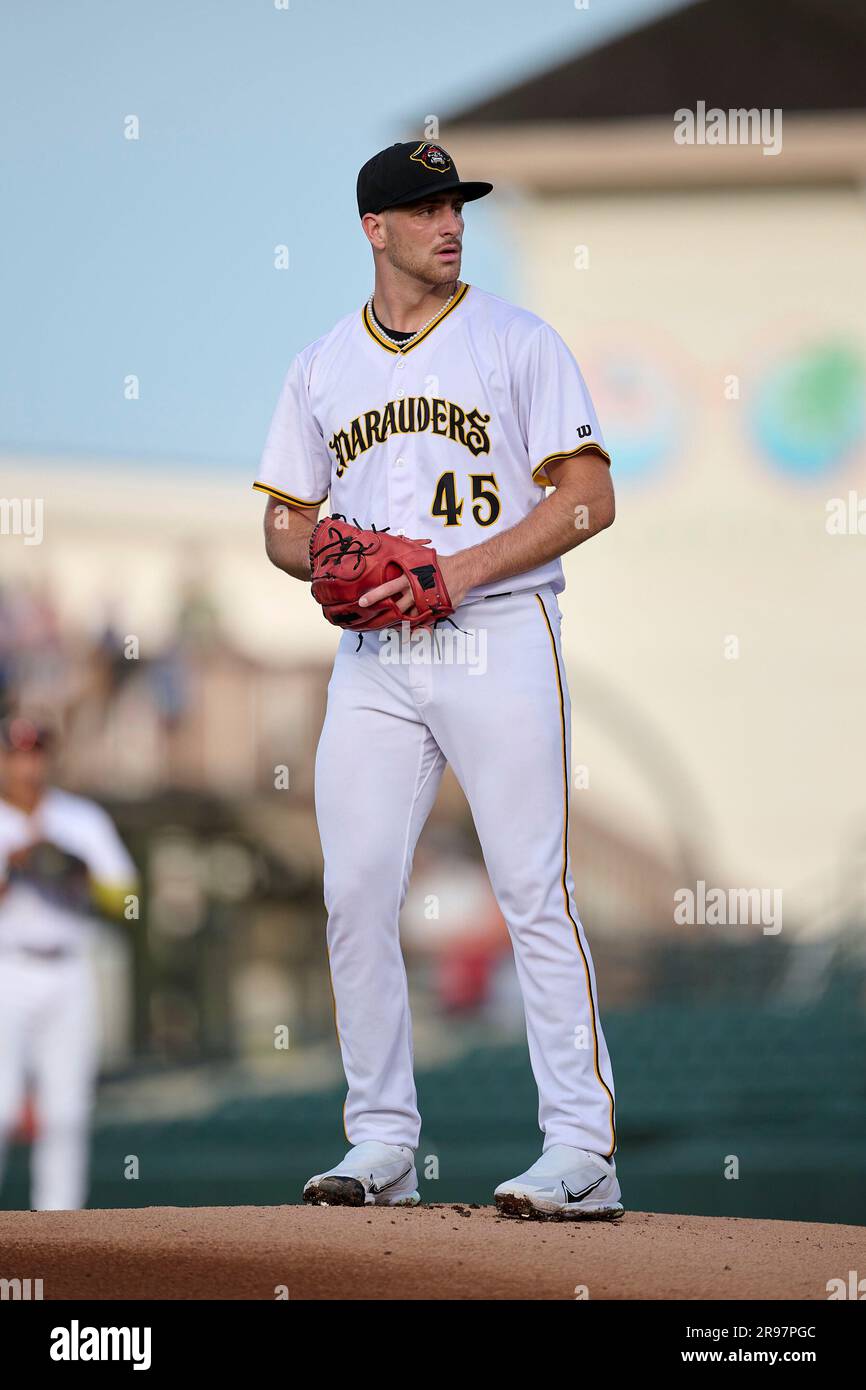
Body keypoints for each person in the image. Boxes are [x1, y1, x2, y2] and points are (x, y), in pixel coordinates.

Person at [255, 140, 622, 1220]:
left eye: (453, 203)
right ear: (374, 229)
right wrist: (330, 557)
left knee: (531, 890)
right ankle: (380, 1140)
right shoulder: (323, 363)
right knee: (354, 891)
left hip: (500, 629)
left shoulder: (516, 341)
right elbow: (282, 523)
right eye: (421, 208)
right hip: (375, 657)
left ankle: (580, 1151)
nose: (447, 222)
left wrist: (446, 572)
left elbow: (590, 498)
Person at [0, 716, 138, 1210]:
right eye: (16, 753)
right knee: (0, 1106)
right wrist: (15, 867)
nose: (27, 764)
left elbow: (127, 898)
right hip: (7, 970)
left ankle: (61, 1235)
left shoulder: (79, 819)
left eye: (35, 753)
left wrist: (76, 865)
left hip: (68, 968)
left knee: (67, 1112)